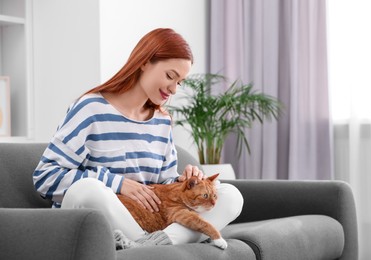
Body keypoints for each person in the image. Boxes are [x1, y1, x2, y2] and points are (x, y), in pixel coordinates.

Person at [33, 28, 243, 250]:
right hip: (99, 217)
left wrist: (186, 183)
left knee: (231, 195)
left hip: (148, 225)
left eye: (179, 82)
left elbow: (164, 186)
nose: (173, 89)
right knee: (87, 189)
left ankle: (145, 248)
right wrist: (119, 184)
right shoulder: (90, 109)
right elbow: (46, 177)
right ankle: (156, 250)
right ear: (144, 62)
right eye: (170, 76)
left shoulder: (162, 121)